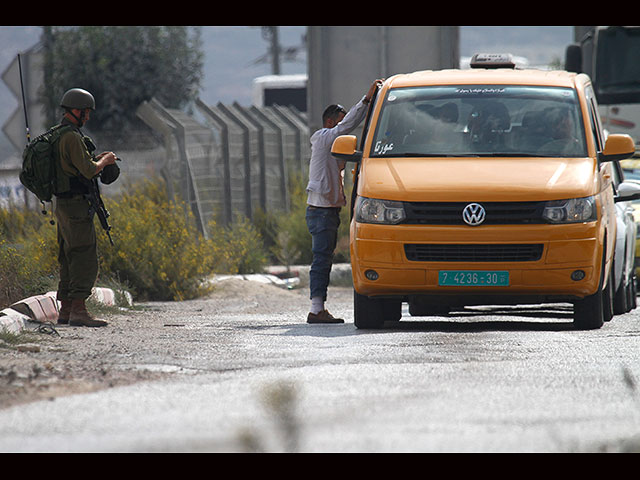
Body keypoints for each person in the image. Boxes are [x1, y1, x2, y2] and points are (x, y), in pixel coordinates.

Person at [305, 79, 383, 324]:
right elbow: (349, 123)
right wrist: (366, 99)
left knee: (323, 259)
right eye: (340, 121)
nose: (344, 128)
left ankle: (319, 308)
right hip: (321, 211)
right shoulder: (325, 137)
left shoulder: (329, 145)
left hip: (325, 210)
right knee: (321, 260)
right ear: (330, 123)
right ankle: (317, 310)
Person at [54, 88, 118, 327]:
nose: (88, 117)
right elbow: (89, 170)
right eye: (86, 112)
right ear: (76, 111)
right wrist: (106, 161)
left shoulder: (58, 134)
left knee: (68, 255)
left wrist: (95, 160)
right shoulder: (71, 136)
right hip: (76, 206)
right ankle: (79, 310)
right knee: (84, 256)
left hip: (61, 204)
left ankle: (66, 309)